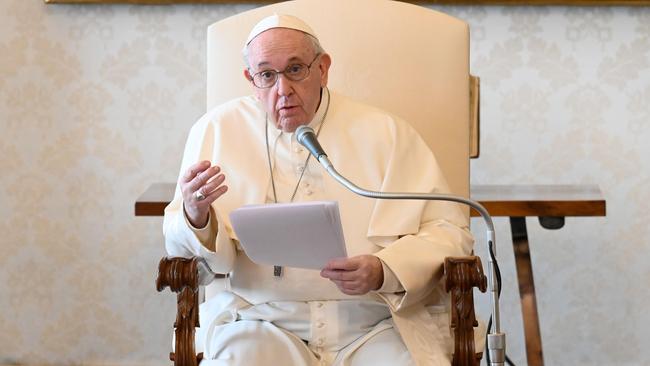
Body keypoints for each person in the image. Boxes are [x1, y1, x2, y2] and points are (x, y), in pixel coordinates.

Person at [163, 14, 474, 366]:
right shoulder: (216, 130)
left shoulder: (386, 132)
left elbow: (450, 231)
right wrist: (195, 215)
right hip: (259, 319)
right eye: (267, 75)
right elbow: (188, 253)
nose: (282, 90)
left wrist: (385, 268)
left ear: (323, 69)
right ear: (251, 80)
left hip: (372, 322)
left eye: (296, 69)